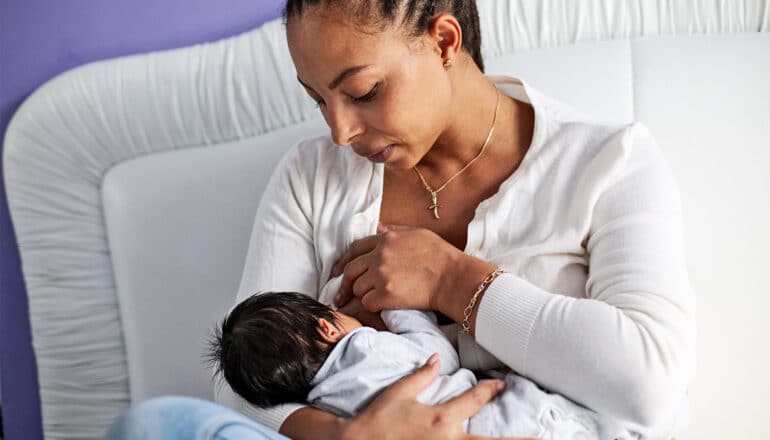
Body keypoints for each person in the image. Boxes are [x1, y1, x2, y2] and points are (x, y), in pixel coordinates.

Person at [109, 0, 695, 438]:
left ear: (443, 40)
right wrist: (349, 436)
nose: (340, 132)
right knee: (155, 425)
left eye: (361, 91)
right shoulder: (312, 176)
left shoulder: (607, 163)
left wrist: (454, 281)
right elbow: (238, 387)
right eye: (318, 100)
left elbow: (649, 385)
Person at [209, 290, 631, 439]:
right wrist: (396, 306)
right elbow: (437, 357)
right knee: (559, 411)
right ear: (326, 326)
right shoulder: (364, 348)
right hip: (499, 418)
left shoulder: (320, 405)